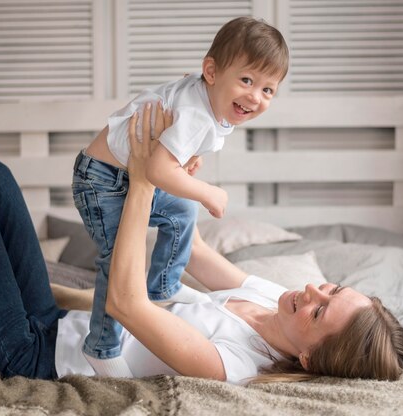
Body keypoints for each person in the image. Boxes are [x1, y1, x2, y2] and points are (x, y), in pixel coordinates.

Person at [0, 103, 403, 384]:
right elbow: (198, 253)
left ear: (306, 361)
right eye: (331, 289)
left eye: (319, 314)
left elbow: (125, 303)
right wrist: (174, 177)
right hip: (51, 323)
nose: (312, 293)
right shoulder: (265, 298)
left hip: (26, 358)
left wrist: (141, 183)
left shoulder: (234, 364)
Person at [73, 16, 290, 376]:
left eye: (268, 90)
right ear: (211, 71)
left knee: (181, 212)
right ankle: (101, 347)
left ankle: (163, 285)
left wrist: (187, 155)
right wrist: (208, 192)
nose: (255, 96)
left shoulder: (208, 103)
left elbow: (171, 147)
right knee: (119, 264)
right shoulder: (198, 114)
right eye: (247, 80)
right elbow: (157, 172)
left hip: (124, 175)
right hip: (102, 181)